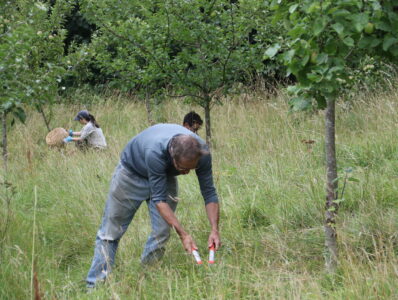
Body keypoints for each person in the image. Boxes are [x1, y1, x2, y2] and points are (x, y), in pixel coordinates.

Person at [86, 124, 220, 288]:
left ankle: (146, 279)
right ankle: (95, 286)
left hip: (164, 175)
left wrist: (214, 229)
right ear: (172, 157)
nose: (187, 173)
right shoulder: (155, 152)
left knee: (162, 232)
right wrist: (184, 235)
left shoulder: (202, 153)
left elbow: (209, 192)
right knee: (110, 232)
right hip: (131, 173)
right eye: (183, 169)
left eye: (192, 168)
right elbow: (159, 200)